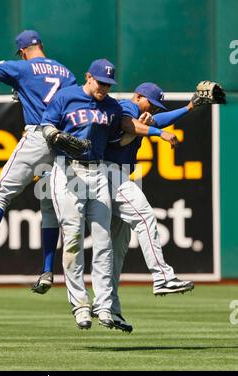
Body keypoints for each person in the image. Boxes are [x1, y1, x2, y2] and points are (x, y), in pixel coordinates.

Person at [40, 59, 171, 330]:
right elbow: (46, 124)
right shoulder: (66, 95)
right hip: (67, 171)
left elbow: (123, 132)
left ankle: (104, 305)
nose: (103, 87)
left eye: (108, 84)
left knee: (103, 241)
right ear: (88, 77)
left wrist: (149, 126)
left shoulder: (111, 106)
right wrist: (54, 134)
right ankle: (80, 305)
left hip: (98, 171)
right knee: (74, 238)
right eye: (100, 82)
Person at [0, 30, 77, 286]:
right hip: (64, 143)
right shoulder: (67, 73)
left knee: (1, 194)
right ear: (41, 45)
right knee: (49, 208)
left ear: (22, 51)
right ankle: (46, 270)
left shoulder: (22, 67)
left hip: (39, 136)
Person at [105, 82, 210, 332]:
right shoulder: (125, 106)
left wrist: (189, 107)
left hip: (113, 176)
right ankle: (163, 277)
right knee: (144, 217)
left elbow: (159, 120)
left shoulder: (142, 114)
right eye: (150, 103)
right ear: (139, 96)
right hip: (109, 175)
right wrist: (158, 133)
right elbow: (129, 125)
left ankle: (109, 308)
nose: (152, 108)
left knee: (114, 251)